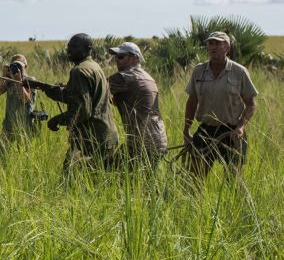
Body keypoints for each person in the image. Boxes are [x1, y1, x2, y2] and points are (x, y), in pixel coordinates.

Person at [31, 33, 119, 172]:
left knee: (71, 181)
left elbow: (82, 110)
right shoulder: (95, 66)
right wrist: (42, 86)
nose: (69, 50)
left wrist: (57, 119)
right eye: (68, 46)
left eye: (73, 47)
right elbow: (72, 96)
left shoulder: (79, 71)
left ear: (87, 48)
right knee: (99, 181)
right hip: (106, 135)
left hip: (90, 139)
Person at [181, 31, 258, 179]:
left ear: (227, 47)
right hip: (206, 130)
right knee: (195, 178)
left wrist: (241, 126)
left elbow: (251, 104)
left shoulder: (239, 71)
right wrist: (186, 130)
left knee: (234, 181)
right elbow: (192, 101)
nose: (213, 47)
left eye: (218, 43)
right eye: (210, 43)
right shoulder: (199, 70)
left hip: (232, 132)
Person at [106, 42, 167, 167]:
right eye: (116, 57)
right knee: (144, 182)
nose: (116, 60)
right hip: (158, 139)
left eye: (121, 57)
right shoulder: (147, 77)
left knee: (113, 173)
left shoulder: (125, 77)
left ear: (134, 58)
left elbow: (93, 89)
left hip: (142, 142)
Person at [0, 54, 38, 151]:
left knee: (25, 154)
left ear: (25, 67)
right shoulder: (9, 80)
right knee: (1, 152)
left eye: (19, 66)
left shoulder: (30, 80)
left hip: (26, 125)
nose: (17, 68)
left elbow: (26, 99)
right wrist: (3, 76)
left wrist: (18, 81)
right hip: (9, 124)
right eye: (14, 65)